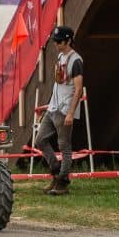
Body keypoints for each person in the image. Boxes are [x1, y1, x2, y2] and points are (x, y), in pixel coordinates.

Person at [34, 26, 84, 197]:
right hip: (53, 107)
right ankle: (56, 170)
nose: (56, 44)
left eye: (59, 41)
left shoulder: (76, 61)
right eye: (55, 41)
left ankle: (62, 183)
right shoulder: (61, 56)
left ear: (68, 41)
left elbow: (78, 89)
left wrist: (71, 113)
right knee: (40, 140)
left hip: (64, 109)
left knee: (65, 147)